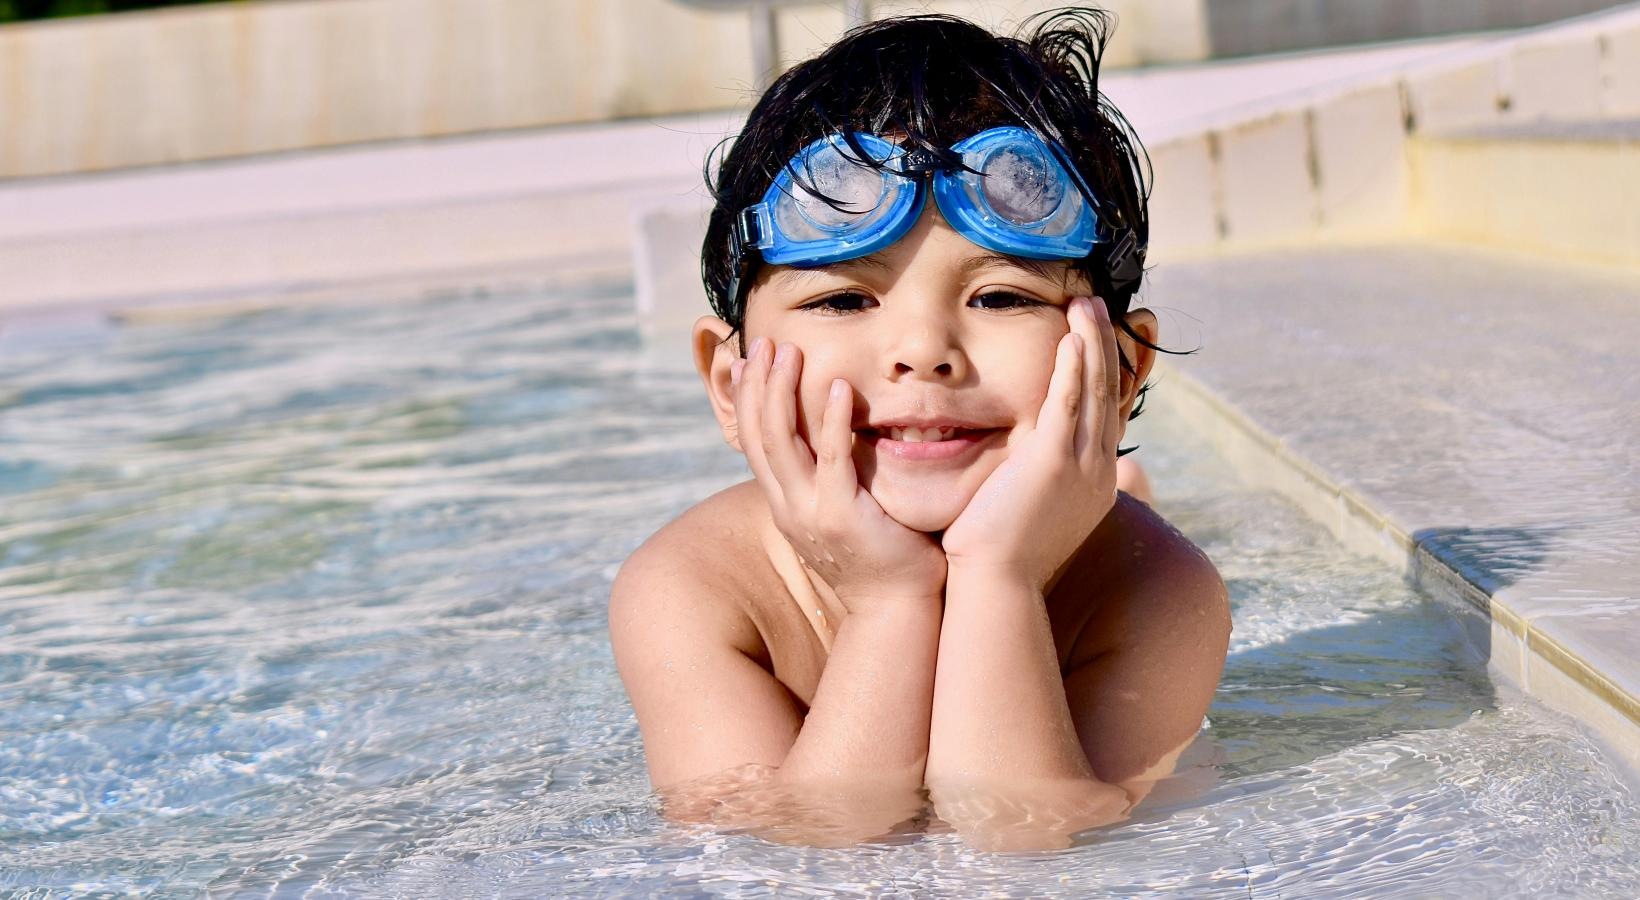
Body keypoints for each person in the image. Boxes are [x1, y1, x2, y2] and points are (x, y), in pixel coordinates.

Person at [609, 8, 1230, 850]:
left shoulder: (1156, 589)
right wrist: (889, 602)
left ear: (1120, 371)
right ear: (730, 381)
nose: (923, 352)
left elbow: (1025, 837)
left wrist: (1001, 576)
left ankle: (1118, 484)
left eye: (1002, 296)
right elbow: (794, 853)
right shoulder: (696, 589)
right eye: (842, 299)